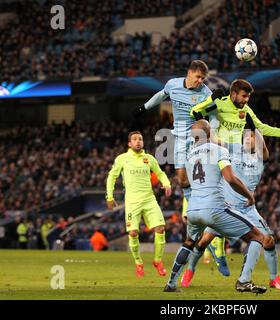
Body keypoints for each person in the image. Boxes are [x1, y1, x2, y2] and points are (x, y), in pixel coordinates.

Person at [190, 78, 280, 272]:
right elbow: (196, 114)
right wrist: (210, 100)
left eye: (248, 97)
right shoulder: (220, 104)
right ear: (233, 93)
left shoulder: (246, 111)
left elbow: (261, 128)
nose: (246, 101)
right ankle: (213, 252)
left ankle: (215, 251)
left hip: (235, 160)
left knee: (224, 211)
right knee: (221, 207)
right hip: (217, 154)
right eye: (244, 96)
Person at [181, 119, 280, 289]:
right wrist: (209, 119)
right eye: (245, 136)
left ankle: (272, 278)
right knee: (203, 242)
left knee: (267, 241)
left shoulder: (261, 157)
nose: (247, 138)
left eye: (251, 137)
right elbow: (215, 140)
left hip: (248, 209)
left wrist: (254, 126)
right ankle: (190, 271)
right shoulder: (233, 150)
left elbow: (263, 146)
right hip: (225, 207)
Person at [163, 120, 267, 294]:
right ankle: (244, 281)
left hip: (193, 208)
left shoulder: (189, 155)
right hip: (214, 207)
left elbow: (184, 181)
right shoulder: (219, 150)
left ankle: (171, 283)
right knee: (258, 236)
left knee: (189, 242)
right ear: (209, 132)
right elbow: (231, 178)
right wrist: (249, 195)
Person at [132, 60, 223, 204]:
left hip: (197, 137)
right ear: (189, 73)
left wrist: (212, 133)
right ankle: (194, 206)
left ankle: (205, 205)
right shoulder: (173, 84)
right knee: (181, 178)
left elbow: (214, 115)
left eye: (203, 78)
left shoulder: (206, 93)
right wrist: (144, 107)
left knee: (199, 175)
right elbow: (162, 95)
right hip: (179, 136)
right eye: (198, 77)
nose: (200, 81)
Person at [106, 131, 172, 277]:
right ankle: (138, 263)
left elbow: (160, 173)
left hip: (149, 199)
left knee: (160, 228)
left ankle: (158, 261)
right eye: (135, 139)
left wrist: (166, 184)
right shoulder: (122, 159)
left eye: (140, 139)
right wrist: (109, 196)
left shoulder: (149, 159)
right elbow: (112, 176)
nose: (138, 141)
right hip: (132, 201)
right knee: (133, 232)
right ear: (129, 144)